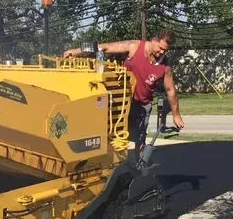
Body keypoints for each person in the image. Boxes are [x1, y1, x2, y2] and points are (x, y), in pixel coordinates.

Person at [64, 28, 184, 156]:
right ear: (154, 40)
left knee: (139, 139)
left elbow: (171, 90)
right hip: (120, 101)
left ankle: (138, 165)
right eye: (160, 48)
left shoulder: (165, 67)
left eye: (165, 50)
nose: (161, 52)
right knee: (112, 135)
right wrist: (75, 51)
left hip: (142, 105)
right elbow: (104, 47)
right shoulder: (134, 47)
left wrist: (176, 115)